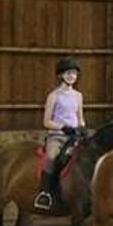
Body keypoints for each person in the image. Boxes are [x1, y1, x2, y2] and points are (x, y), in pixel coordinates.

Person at [34, 56, 86, 212]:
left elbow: (80, 118)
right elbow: (46, 121)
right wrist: (63, 127)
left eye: (74, 73)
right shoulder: (54, 96)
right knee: (51, 158)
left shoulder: (78, 96)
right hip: (57, 136)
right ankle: (45, 193)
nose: (72, 76)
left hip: (75, 136)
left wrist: (82, 128)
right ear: (61, 75)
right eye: (68, 73)